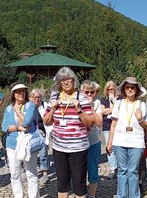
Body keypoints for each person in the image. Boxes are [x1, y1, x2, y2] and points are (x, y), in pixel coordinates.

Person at [43, 67, 94, 198]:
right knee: (62, 183)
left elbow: (90, 123)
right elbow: (46, 121)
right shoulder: (54, 97)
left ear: (73, 80)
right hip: (59, 148)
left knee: (79, 184)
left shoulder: (81, 98)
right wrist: (53, 109)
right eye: (62, 80)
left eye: (68, 79)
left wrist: (79, 110)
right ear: (59, 83)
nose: (65, 82)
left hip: (78, 148)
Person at [106, 77, 147, 198]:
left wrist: (140, 119)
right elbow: (113, 125)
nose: (130, 89)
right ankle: (122, 196)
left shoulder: (141, 104)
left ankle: (134, 196)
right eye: (127, 87)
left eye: (132, 87)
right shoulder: (118, 104)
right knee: (121, 171)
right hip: (119, 142)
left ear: (136, 90)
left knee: (133, 171)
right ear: (124, 90)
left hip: (136, 143)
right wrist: (109, 143)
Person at [2, 83, 40, 198]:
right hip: (12, 144)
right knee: (15, 174)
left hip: (28, 143)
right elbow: (4, 127)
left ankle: (34, 196)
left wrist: (18, 111)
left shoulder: (31, 106)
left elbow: (27, 122)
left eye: (23, 91)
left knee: (31, 173)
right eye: (18, 91)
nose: (21, 93)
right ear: (13, 94)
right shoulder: (8, 109)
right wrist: (18, 127)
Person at [81, 80, 103, 198]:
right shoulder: (77, 103)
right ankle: (82, 193)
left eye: (92, 92)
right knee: (79, 171)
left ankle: (92, 195)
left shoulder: (97, 102)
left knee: (93, 170)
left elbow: (99, 122)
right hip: (79, 141)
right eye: (86, 92)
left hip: (93, 141)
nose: (89, 94)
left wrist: (90, 106)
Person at [30, 88, 52, 185]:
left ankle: (45, 174)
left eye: (39, 97)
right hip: (31, 134)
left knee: (43, 154)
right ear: (31, 98)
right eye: (35, 97)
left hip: (43, 133)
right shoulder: (29, 107)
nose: (37, 99)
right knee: (31, 155)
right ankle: (31, 174)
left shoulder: (46, 106)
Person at [101, 80, 119, 179]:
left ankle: (120, 168)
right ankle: (112, 168)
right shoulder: (104, 100)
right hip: (107, 126)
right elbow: (102, 111)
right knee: (109, 147)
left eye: (112, 89)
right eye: (108, 89)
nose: (110, 91)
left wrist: (114, 103)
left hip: (119, 126)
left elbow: (122, 109)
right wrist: (113, 109)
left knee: (119, 147)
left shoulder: (120, 99)